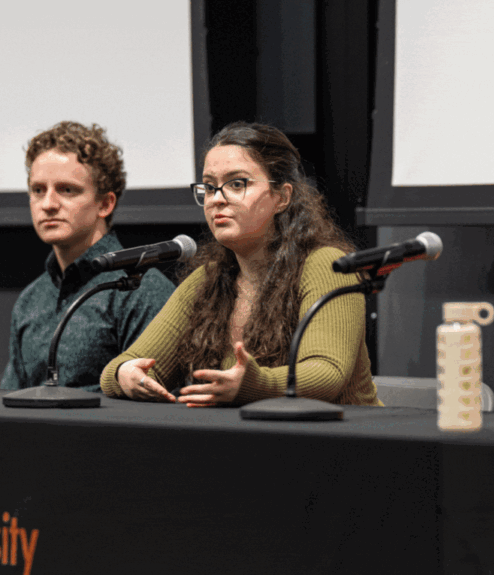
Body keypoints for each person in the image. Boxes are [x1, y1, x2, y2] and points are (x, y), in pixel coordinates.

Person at [100, 122, 380, 406]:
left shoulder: (327, 265)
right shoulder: (206, 280)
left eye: (237, 184)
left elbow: (327, 374)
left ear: (282, 197)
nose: (217, 199)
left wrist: (256, 384)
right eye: (209, 187)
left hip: (340, 440)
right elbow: (129, 366)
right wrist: (126, 374)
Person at [1, 121, 175, 392]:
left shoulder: (140, 290)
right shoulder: (31, 299)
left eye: (67, 190)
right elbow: (12, 396)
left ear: (105, 204)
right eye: (38, 190)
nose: (48, 204)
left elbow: (158, 401)